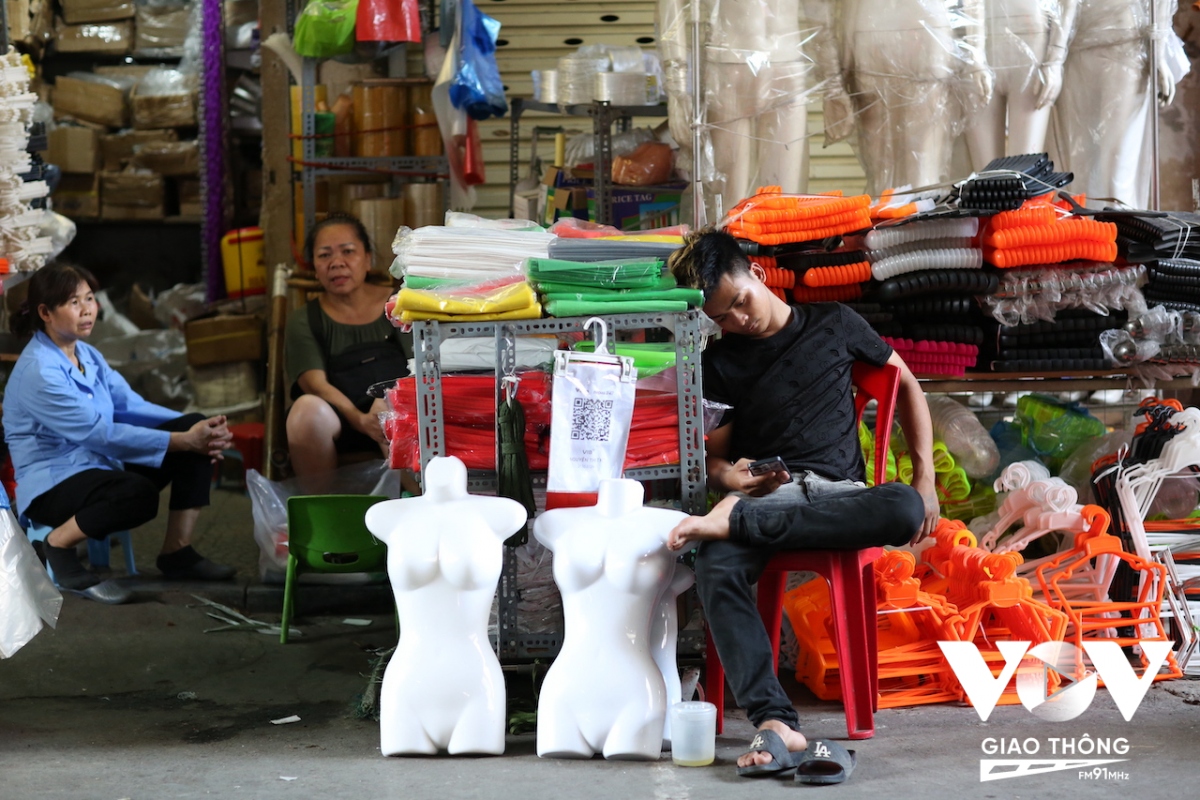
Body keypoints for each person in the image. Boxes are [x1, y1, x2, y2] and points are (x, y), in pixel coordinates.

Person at [664, 230, 940, 776]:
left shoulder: (834, 322)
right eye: (722, 318)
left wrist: (924, 475)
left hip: (841, 497)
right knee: (716, 564)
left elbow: (906, 384)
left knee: (906, 509)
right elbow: (715, 461)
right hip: (769, 495)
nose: (737, 321)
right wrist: (735, 480)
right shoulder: (720, 364)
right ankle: (775, 720)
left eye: (739, 302)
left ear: (759, 275)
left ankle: (738, 524)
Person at [3, 263, 236, 602]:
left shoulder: (87, 354)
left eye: (90, 299)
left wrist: (200, 429)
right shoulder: (39, 370)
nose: (87, 310)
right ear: (45, 312)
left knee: (191, 429)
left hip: (98, 465)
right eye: (73, 302)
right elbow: (100, 434)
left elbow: (131, 405)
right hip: (53, 484)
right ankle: (56, 544)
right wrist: (182, 441)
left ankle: (177, 553)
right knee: (139, 494)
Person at [284, 213, 412, 481]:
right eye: (324, 255)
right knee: (305, 410)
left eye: (348, 252)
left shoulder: (400, 303)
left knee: (386, 409)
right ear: (315, 267)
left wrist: (388, 399)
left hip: (397, 413)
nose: (336, 263)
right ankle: (322, 514)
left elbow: (421, 364)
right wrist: (358, 419)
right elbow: (314, 384)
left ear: (367, 258)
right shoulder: (305, 319)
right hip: (340, 420)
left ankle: (414, 506)